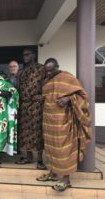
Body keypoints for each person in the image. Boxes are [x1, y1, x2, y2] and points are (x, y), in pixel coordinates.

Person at [36, 58, 91, 191]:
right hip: (49, 121)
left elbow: (83, 96)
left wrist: (68, 98)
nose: (48, 74)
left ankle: (66, 178)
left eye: (51, 71)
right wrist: (42, 98)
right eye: (46, 71)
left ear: (57, 66)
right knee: (50, 148)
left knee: (64, 148)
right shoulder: (46, 80)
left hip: (64, 121)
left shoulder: (68, 77)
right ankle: (53, 173)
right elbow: (50, 95)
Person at [15, 48, 46, 169]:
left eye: (27, 54)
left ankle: (39, 159)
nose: (25, 56)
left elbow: (47, 83)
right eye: (23, 54)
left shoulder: (41, 69)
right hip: (24, 105)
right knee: (24, 132)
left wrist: (43, 96)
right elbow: (18, 88)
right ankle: (28, 157)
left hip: (37, 105)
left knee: (37, 131)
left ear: (34, 55)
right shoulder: (21, 71)